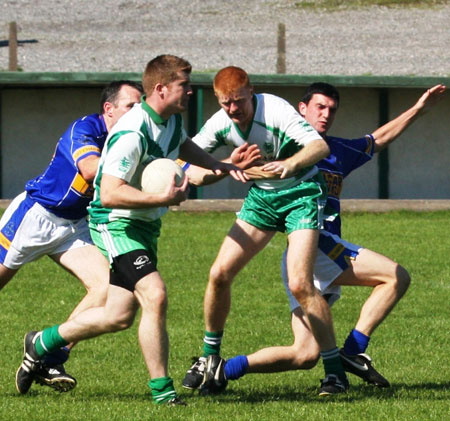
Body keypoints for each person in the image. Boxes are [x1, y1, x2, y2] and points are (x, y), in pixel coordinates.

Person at [15, 55, 247, 406]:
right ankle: (163, 392)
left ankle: (42, 343)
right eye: (184, 85)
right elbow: (108, 193)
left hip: (144, 226)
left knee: (117, 315)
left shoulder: (171, 121)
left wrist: (219, 164)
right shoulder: (131, 131)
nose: (190, 91)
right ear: (161, 89)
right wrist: (160, 196)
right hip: (115, 223)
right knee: (155, 294)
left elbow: (182, 143)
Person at [186, 82, 447, 393]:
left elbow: (377, 139)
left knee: (305, 354)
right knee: (395, 276)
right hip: (318, 247)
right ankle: (350, 353)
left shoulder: (336, 150)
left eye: (332, 109)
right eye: (319, 107)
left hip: (310, 252)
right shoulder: (276, 140)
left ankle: (224, 371)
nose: (326, 115)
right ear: (301, 109)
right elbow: (216, 171)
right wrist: (231, 167)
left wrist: (417, 111)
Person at [182, 66, 353, 396]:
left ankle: (335, 375)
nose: (233, 110)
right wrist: (226, 168)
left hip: (302, 193)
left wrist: (289, 164)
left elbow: (319, 148)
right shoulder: (220, 124)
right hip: (262, 198)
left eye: (238, 101)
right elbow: (192, 172)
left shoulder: (274, 109)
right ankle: (210, 359)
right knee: (219, 273)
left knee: (301, 284)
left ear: (251, 92)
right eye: (225, 103)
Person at [0, 80, 143, 393]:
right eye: (131, 106)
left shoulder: (133, 136)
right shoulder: (85, 128)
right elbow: (91, 170)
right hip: (35, 217)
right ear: (109, 109)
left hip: (73, 227)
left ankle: (49, 353)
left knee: (108, 288)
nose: (138, 112)